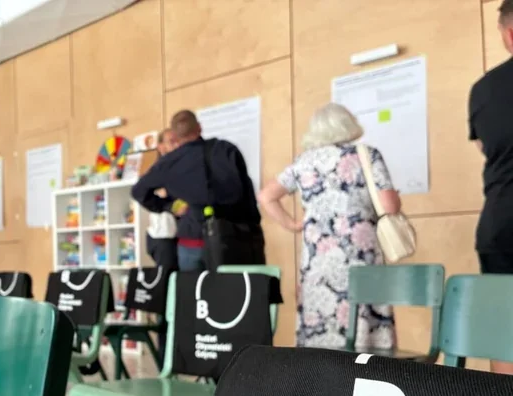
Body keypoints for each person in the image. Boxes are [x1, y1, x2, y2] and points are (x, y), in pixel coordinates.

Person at [258, 103, 401, 349]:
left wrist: (293, 224)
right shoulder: (367, 155)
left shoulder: (303, 162)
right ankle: (365, 368)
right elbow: (389, 207)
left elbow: (266, 196)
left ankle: (320, 373)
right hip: (360, 254)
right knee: (364, 327)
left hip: (318, 260)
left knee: (321, 325)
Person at [131, 110, 263, 271]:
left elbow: (138, 191)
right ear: (199, 128)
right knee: (235, 286)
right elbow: (246, 193)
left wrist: (169, 206)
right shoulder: (225, 150)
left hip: (191, 241)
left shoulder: (168, 163)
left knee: (192, 287)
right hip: (233, 237)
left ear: (175, 136)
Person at [468, 0, 513, 374]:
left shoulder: (483, 89)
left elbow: (486, 146)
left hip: (501, 223)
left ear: (509, 34)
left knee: (506, 332)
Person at [145, 129, 178, 270]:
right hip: (163, 236)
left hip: (178, 236)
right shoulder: (159, 171)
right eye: (171, 142)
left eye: (177, 141)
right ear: (161, 147)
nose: (177, 145)